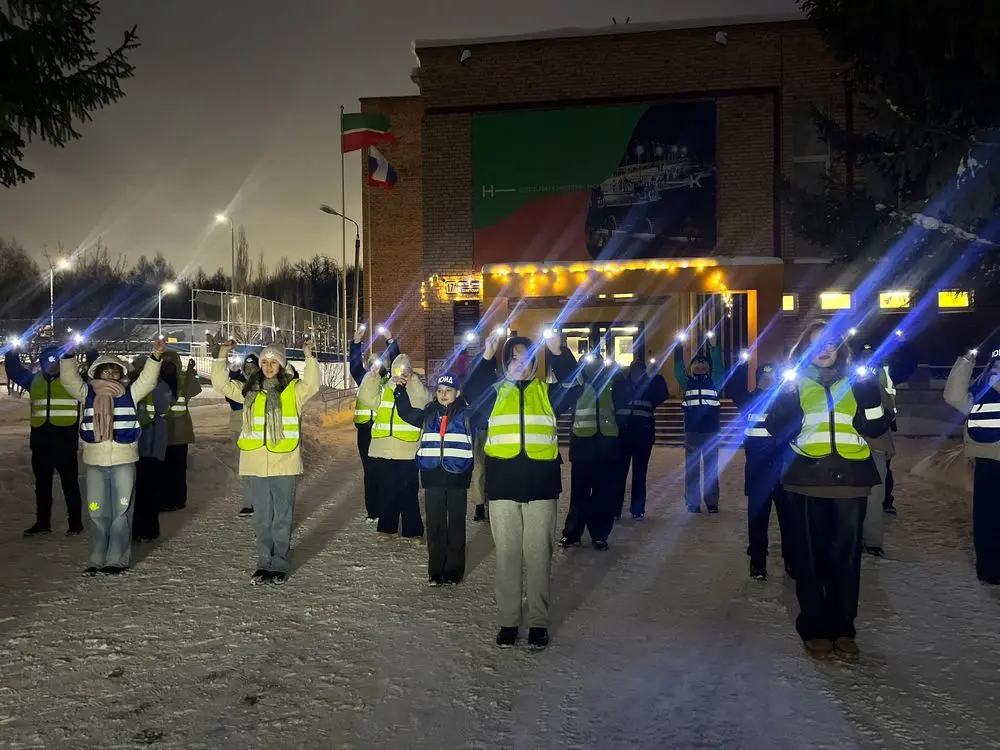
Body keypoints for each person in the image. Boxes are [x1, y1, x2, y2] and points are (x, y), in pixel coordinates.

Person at [765, 321, 890, 661]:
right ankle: (815, 627)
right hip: (805, 479)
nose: (824, 349)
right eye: (816, 342)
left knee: (846, 561)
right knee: (809, 558)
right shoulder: (793, 382)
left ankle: (843, 629)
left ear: (840, 349)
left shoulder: (858, 381)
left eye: (830, 343)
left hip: (851, 481)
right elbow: (775, 428)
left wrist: (870, 399)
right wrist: (787, 401)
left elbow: (877, 428)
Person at [463, 330, 578, 650]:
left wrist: (559, 353)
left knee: (539, 555)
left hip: (541, 486)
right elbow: (471, 387)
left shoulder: (547, 392)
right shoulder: (495, 392)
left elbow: (575, 387)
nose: (518, 363)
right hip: (502, 487)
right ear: (505, 363)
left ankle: (538, 621)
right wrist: (485, 356)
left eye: (525, 357)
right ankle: (509, 621)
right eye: (512, 357)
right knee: (508, 556)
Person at [212, 341, 320, 584]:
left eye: (274, 362)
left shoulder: (293, 390)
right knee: (262, 516)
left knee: (282, 514)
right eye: (265, 362)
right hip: (255, 463)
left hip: (284, 462)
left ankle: (279, 561)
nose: (269, 367)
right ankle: (264, 560)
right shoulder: (248, 389)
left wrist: (309, 357)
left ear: (281, 365)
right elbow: (220, 384)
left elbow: (313, 384)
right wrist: (221, 355)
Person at [60, 339, 164, 576]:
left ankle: (117, 559)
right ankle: (97, 558)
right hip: (95, 462)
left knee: (121, 510)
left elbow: (147, 380)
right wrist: (67, 356)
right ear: (95, 373)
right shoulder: (86, 394)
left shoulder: (130, 394)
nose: (110, 374)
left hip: (123, 462)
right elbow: (68, 379)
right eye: (105, 371)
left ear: (121, 375)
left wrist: (155, 356)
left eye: (114, 371)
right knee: (96, 510)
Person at [396, 371, 474, 585]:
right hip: (432, 475)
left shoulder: (467, 414)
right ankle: (436, 571)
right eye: (440, 390)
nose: (443, 394)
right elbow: (406, 413)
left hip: (458, 474)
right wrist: (400, 391)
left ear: (457, 393)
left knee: (456, 524)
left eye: (448, 391)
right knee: (435, 524)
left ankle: (454, 571)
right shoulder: (428, 414)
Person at [6, 345, 83, 537]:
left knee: (70, 485)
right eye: (48, 360)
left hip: (65, 444)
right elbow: (14, 371)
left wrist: (88, 351)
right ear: (41, 363)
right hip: (41, 444)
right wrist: (12, 352)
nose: (52, 364)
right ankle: (42, 523)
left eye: (56, 360)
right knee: (42, 486)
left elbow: (94, 375)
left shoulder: (73, 382)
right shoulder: (34, 381)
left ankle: (75, 524)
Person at [358, 352, 429, 541]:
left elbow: (424, 401)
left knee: (408, 493)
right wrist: (373, 376)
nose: (401, 373)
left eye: (405, 370)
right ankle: (387, 528)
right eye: (397, 370)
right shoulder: (384, 389)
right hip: (383, 449)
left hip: (407, 451)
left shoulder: (415, 388)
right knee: (387, 491)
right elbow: (365, 396)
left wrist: (412, 381)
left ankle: (412, 531)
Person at [944, 346, 1000, 585]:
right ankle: (989, 568)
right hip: (988, 458)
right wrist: (967, 360)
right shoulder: (980, 391)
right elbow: (953, 396)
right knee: (987, 518)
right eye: (996, 364)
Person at [560, 353, 626, 550]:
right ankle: (572, 533)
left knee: (603, 494)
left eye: (597, 363)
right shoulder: (577, 382)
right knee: (579, 494)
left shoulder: (612, 380)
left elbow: (624, 398)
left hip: (606, 443)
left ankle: (600, 535)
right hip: (583, 443)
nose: (593, 366)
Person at [740, 362, 793, 581]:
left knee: (789, 521)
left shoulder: (787, 400)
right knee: (758, 521)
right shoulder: (750, 400)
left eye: (772, 377)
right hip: (758, 470)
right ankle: (758, 563)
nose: (768, 380)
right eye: (763, 377)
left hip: (783, 470)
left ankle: (792, 562)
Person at [349, 326, 399, 523]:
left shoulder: (389, 381)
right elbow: (354, 365)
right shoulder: (363, 379)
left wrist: (390, 341)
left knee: (385, 470)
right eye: (371, 364)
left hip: (382, 430)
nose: (374, 367)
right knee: (370, 471)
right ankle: (373, 510)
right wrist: (356, 343)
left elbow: (397, 361)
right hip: (364, 430)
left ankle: (387, 506)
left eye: (377, 364)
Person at [674, 336, 725, 513]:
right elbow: (678, 369)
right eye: (697, 363)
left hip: (711, 432)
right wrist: (678, 349)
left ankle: (712, 502)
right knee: (692, 470)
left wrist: (714, 349)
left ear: (708, 368)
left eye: (704, 363)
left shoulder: (715, 381)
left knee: (711, 469)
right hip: (693, 432)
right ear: (692, 368)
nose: (701, 366)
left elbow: (719, 367)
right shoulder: (687, 382)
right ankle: (693, 502)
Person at [616, 358, 669, 519]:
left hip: (643, 436)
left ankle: (637, 510)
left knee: (640, 475)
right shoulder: (621, 385)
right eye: (634, 370)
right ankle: (615, 510)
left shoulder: (650, 386)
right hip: (623, 436)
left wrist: (656, 375)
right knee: (619, 474)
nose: (637, 374)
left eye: (640, 371)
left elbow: (663, 393)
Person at [157, 350, 201, 512]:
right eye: (165, 364)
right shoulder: (156, 382)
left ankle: (177, 500)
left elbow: (194, 388)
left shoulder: (182, 381)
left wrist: (191, 372)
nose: (168, 368)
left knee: (177, 470)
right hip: (161, 434)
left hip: (180, 434)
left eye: (171, 364)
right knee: (162, 470)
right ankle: (163, 499)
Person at [134, 356, 172, 542]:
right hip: (136, 446)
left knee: (149, 489)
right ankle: (137, 528)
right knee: (137, 490)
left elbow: (163, 407)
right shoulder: (133, 387)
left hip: (153, 446)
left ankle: (149, 529)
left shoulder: (161, 387)